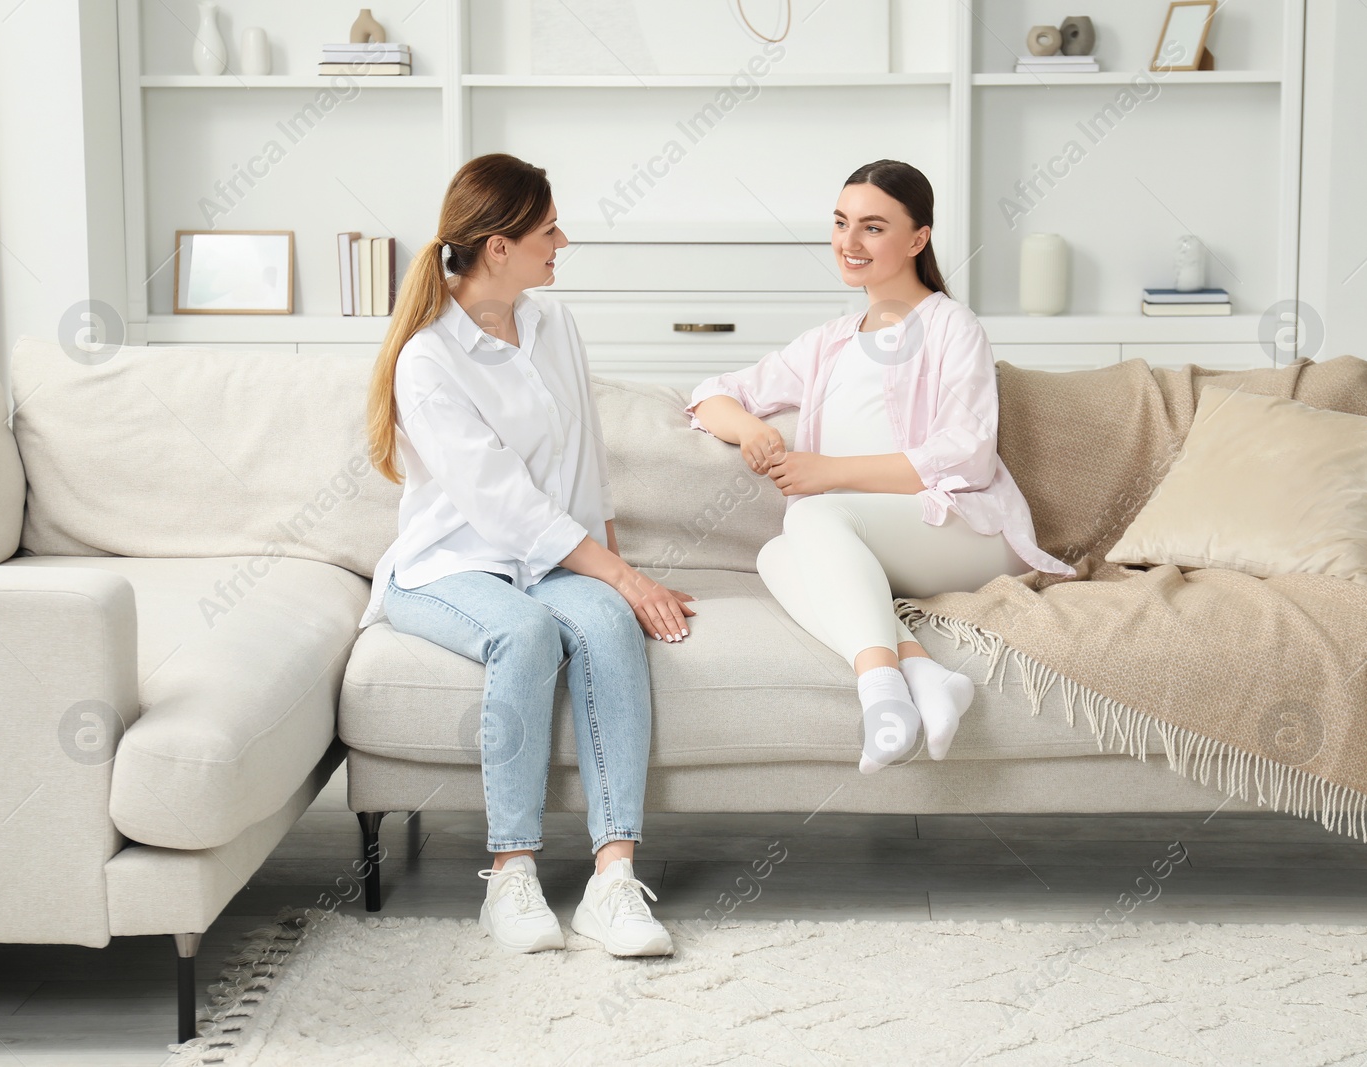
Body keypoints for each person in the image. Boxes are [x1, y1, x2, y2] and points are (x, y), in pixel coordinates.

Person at [361, 153, 696, 956]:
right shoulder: (428, 359)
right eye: (550, 228)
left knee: (610, 628)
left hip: (547, 560)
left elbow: (586, 462)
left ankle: (612, 882)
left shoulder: (555, 325)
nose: (563, 240)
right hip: (450, 565)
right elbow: (498, 503)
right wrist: (621, 572)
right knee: (526, 634)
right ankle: (510, 873)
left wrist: (616, 578)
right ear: (499, 248)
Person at [684, 159, 1076, 774]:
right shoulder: (829, 342)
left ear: (917, 239)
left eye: (872, 226)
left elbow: (967, 455)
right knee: (775, 555)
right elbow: (712, 393)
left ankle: (880, 696)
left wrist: (830, 472)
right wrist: (751, 427)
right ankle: (921, 672)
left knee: (809, 517)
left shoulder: (952, 326)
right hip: (871, 534)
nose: (849, 242)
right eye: (841, 223)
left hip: (965, 531)